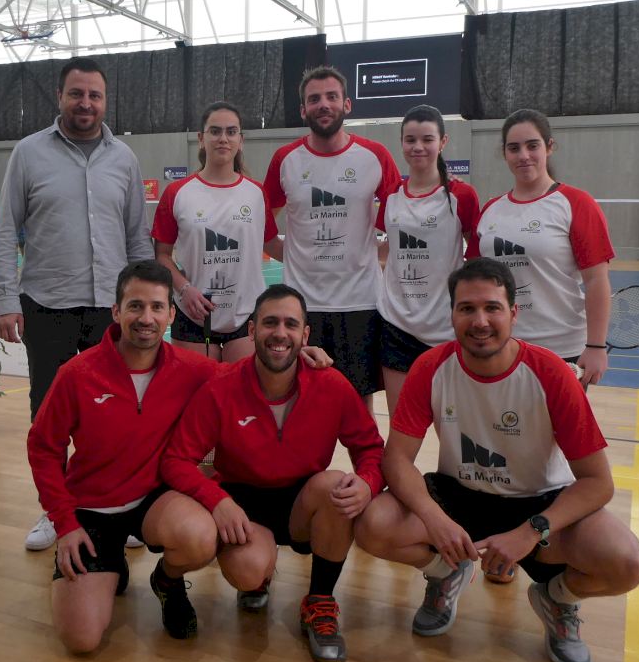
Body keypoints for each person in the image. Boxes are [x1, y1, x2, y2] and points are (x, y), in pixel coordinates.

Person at [353, 259, 639, 662]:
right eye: (467, 309)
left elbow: (598, 483)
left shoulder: (551, 373)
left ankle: (557, 599)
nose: (480, 321)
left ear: (513, 313)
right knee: (373, 524)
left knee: (626, 562)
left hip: (540, 504)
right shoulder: (431, 367)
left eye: (492, 307)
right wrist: (434, 519)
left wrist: (531, 531)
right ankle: (445, 573)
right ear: (452, 314)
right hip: (460, 497)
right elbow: (396, 459)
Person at [160, 284, 385, 662]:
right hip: (242, 506)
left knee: (337, 486)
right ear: (252, 331)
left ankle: (320, 601)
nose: (280, 333)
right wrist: (217, 501)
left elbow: (371, 449)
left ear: (305, 335)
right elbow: (176, 460)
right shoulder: (221, 387)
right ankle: (260, 572)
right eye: (270, 323)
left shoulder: (331, 384)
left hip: (303, 504)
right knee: (248, 572)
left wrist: (367, 482)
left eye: (290, 324)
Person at [0, 56, 154, 553]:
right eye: (77, 94)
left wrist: (147, 305)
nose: (86, 103)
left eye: (95, 95)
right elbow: (4, 231)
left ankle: (120, 507)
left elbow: (137, 238)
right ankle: (55, 509)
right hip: (47, 305)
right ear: (60, 96)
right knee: (49, 417)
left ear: (105, 101)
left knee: (118, 415)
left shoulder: (123, 158)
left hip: (112, 310)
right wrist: (5, 300)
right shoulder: (28, 153)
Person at [25, 260, 226, 654]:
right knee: (81, 640)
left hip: (153, 502)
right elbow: (43, 448)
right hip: (91, 510)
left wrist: (306, 359)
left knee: (200, 537)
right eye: (135, 306)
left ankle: (167, 582)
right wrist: (64, 524)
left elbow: (251, 376)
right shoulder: (77, 374)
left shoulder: (191, 369)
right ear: (116, 311)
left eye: (156, 307)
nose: (146, 318)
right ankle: (109, 562)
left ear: (171, 315)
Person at [264, 66, 401, 410]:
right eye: (314, 99)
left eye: (331, 97)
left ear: (347, 104)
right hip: (301, 306)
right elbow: (262, 231)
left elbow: (404, 221)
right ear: (303, 109)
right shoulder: (285, 160)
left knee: (358, 403)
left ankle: (363, 452)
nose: (323, 104)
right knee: (299, 402)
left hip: (360, 303)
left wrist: (377, 256)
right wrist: (295, 257)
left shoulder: (375, 156)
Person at [468, 109, 613, 388]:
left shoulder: (576, 203)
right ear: (504, 153)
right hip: (501, 345)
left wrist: (596, 346)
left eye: (532, 145)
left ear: (549, 147)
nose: (523, 155)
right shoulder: (490, 210)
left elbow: (597, 280)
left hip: (561, 348)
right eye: (514, 148)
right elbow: (475, 281)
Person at [152, 101, 276, 363]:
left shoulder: (256, 193)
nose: (223, 138)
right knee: (197, 389)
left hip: (245, 314)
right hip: (194, 314)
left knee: (239, 388)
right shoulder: (177, 193)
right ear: (201, 138)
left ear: (241, 141)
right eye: (215, 131)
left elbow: (271, 243)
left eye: (231, 132)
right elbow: (161, 255)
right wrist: (184, 289)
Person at [377, 105, 479, 416]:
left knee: (450, 423)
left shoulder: (462, 196)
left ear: (443, 142)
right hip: (395, 323)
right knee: (401, 422)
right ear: (401, 143)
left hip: (444, 327)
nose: (418, 147)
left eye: (427, 139)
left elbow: (476, 257)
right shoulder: (391, 195)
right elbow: (386, 248)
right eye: (410, 140)